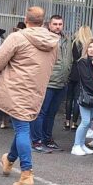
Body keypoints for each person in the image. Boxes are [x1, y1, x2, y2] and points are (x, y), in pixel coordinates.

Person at [0, 7, 60, 185]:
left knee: (21, 128)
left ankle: (27, 174)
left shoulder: (17, 37)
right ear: (43, 22)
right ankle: (10, 159)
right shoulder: (53, 41)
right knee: (23, 125)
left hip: (15, 88)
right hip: (37, 89)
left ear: (25, 19)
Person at [31, 15, 73, 153]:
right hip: (47, 82)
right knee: (41, 112)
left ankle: (47, 139)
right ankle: (36, 141)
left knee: (52, 113)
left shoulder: (67, 39)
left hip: (61, 82)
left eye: (60, 24)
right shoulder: (44, 39)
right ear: (49, 25)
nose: (57, 26)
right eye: (55, 24)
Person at [72, 39, 93, 156]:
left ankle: (81, 144)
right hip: (85, 95)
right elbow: (87, 80)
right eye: (90, 47)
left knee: (88, 121)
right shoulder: (82, 62)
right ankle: (76, 145)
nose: (92, 49)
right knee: (85, 122)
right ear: (86, 49)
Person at [65, 26, 93, 130]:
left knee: (69, 98)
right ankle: (74, 123)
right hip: (82, 72)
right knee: (78, 98)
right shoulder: (89, 45)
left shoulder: (74, 43)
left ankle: (67, 121)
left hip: (73, 71)